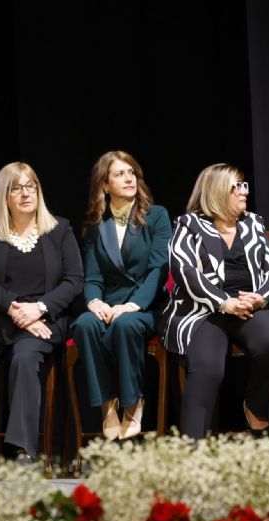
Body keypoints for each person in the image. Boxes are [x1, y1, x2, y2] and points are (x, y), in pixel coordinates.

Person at [0, 162, 83, 461]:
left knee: (25, 360)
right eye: (16, 188)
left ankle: (22, 449)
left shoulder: (60, 229)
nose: (26, 194)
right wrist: (13, 308)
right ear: (4, 195)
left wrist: (39, 308)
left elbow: (74, 280)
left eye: (30, 186)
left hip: (41, 318)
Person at [160, 163, 269, 439]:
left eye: (245, 185)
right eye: (237, 186)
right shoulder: (188, 225)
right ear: (218, 191)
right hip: (203, 309)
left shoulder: (253, 223)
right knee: (207, 368)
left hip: (249, 305)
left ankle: (255, 406)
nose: (245, 192)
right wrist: (222, 302)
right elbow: (184, 271)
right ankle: (192, 446)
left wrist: (261, 298)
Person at [71, 151, 170, 439]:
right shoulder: (96, 225)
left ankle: (133, 402)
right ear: (104, 185)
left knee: (125, 325)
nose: (129, 179)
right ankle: (106, 406)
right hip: (109, 304)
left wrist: (133, 305)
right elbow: (92, 277)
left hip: (146, 305)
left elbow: (158, 269)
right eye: (119, 174)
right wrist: (94, 302)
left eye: (131, 173)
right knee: (84, 324)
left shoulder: (157, 215)